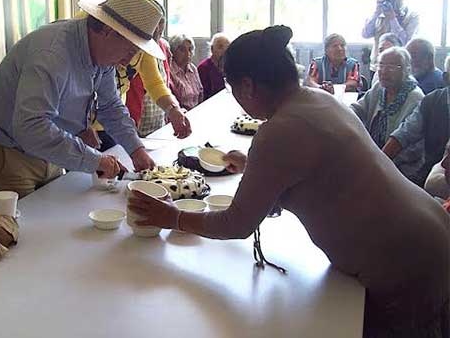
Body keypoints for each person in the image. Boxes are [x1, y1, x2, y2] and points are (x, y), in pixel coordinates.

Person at [129, 25, 450, 337]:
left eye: (233, 89)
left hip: (409, 265)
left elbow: (237, 223)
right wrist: (254, 167)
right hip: (428, 234)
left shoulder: (279, 130)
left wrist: (173, 217)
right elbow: (316, 172)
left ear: (248, 86)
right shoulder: (318, 100)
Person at [0, 0, 160, 210]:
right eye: (130, 51)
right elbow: (31, 127)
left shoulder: (103, 53)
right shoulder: (52, 55)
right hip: (7, 148)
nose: (129, 61)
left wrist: (136, 150)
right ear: (109, 32)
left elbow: (110, 106)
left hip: (48, 145)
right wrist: (94, 160)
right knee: (22, 234)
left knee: (56, 220)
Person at [79, 0, 191, 150]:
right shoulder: (85, 25)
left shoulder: (138, 31)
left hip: (114, 123)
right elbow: (72, 87)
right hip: (81, 126)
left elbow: (154, 82)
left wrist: (173, 109)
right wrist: (79, 125)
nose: (139, 3)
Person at [350, 47, 424, 183]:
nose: (384, 71)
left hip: (401, 165)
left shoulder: (416, 97)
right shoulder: (379, 88)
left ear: (407, 69)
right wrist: (342, 115)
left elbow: (407, 142)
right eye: (381, 65)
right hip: (375, 155)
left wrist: (377, 164)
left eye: (391, 66)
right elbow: (357, 109)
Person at [383, 72, 450, 186]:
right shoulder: (431, 101)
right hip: (427, 175)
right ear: (447, 77)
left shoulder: (416, 95)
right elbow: (404, 134)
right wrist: (379, 162)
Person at [125, 0, 175, 137]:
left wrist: (173, 109)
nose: (158, 28)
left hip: (158, 123)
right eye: (155, 23)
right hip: (135, 123)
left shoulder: (164, 46)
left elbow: (162, 83)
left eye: (161, 22)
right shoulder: (135, 46)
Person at [362, 0, 419, 80]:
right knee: (376, 94)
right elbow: (365, 34)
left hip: (399, 66)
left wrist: (393, 19)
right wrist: (376, 13)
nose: (393, 3)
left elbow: (406, 42)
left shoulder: (411, 16)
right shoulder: (379, 14)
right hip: (377, 65)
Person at [169, 34, 204, 111]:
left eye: (190, 49)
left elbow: (201, 93)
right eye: (182, 50)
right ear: (173, 51)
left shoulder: (193, 68)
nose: (188, 54)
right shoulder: (170, 71)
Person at [198, 33, 230, 100]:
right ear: (212, 49)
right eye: (220, 47)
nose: (224, 51)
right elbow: (204, 95)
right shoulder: (203, 68)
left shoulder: (229, 67)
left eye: (227, 47)